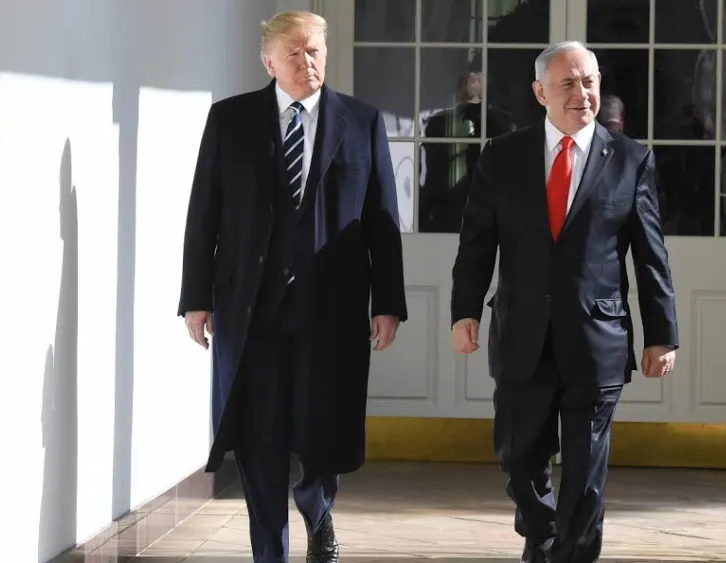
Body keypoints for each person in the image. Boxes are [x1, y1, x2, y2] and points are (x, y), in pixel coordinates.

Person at [177, 11, 407, 563]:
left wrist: (389, 302)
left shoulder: (362, 121)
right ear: (269, 61)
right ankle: (268, 552)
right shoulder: (230, 121)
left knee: (322, 430)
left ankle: (316, 506)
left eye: (317, 52)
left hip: (332, 310)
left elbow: (383, 218)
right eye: (297, 53)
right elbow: (203, 212)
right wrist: (196, 298)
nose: (309, 63)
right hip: (250, 310)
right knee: (259, 439)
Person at [450, 41, 679, 563]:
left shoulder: (630, 159)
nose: (583, 94)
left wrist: (661, 332)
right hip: (522, 335)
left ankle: (572, 555)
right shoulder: (502, 156)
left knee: (586, 468)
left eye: (590, 81)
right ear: (540, 92)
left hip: (595, 338)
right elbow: (477, 242)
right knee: (518, 457)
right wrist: (464, 311)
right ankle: (545, 535)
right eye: (569, 83)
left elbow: (651, 253)